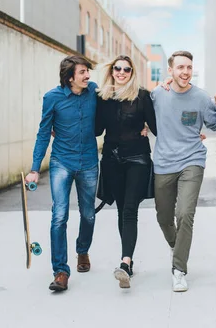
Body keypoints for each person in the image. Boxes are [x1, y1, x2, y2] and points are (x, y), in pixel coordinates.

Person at [25, 55, 99, 292]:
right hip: (61, 162)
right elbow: (44, 133)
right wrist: (35, 168)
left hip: (88, 161)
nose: (88, 76)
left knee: (88, 214)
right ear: (69, 78)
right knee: (59, 215)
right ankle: (60, 271)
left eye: (88, 71)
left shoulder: (94, 92)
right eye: (82, 72)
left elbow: (121, 93)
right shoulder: (52, 98)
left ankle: (82, 250)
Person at [151, 50, 216, 292]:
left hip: (192, 160)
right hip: (163, 162)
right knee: (163, 217)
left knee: (184, 214)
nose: (186, 72)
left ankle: (179, 270)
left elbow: (215, 123)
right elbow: (143, 114)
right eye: (180, 67)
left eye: (189, 67)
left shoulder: (201, 97)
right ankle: (175, 244)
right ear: (170, 71)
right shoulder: (159, 94)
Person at [95, 55, 157, 289]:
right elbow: (96, 130)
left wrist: (147, 126)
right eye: (117, 68)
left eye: (127, 69)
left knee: (130, 209)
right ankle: (127, 262)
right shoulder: (103, 97)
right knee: (122, 210)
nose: (121, 72)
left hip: (138, 159)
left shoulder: (142, 96)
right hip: (112, 160)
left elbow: (158, 127)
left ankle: (125, 262)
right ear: (111, 71)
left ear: (132, 72)